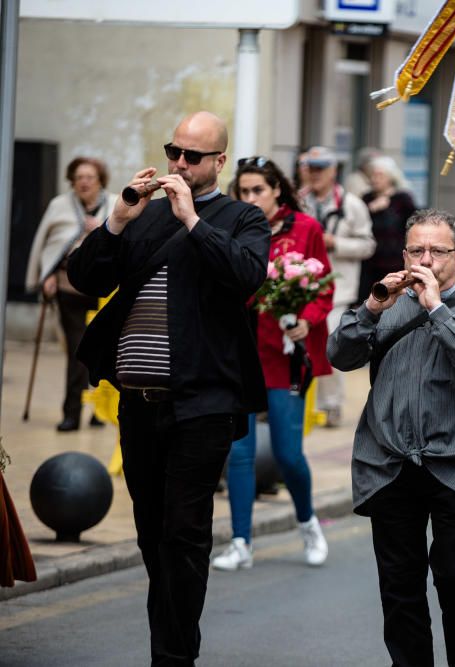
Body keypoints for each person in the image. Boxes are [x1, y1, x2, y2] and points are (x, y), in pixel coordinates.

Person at [67, 111, 269, 664]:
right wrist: (115, 221)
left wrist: (191, 220)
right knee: (152, 534)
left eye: (192, 157)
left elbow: (247, 276)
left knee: (184, 534)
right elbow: (84, 280)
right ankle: (174, 642)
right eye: (174, 151)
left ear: (218, 162)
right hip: (138, 404)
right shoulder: (143, 217)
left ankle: (173, 657)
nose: (179, 164)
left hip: (202, 405)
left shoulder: (242, 218)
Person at [328, 209, 455, 667]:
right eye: (418, 250)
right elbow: (339, 355)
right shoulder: (386, 305)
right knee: (400, 586)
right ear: (404, 255)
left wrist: (436, 308)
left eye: (438, 251)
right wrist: (369, 309)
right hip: (389, 463)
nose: (427, 259)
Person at [211, 157, 333, 572]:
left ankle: (308, 521)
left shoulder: (305, 228)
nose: (249, 198)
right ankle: (241, 541)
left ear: (276, 189)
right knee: (239, 453)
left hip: (286, 356)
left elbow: (323, 288)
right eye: (242, 192)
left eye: (257, 190)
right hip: (242, 353)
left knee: (286, 452)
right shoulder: (232, 229)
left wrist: (306, 320)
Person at [26, 157, 116, 432]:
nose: (85, 182)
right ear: (72, 181)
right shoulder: (60, 206)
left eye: (90, 176)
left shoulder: (115, 204)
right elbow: (48, 245)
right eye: (79, 177)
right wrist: (48, 275)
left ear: (100, 179)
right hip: (68, 286)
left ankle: (100, 411)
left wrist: (100, 230)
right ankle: (72, 413)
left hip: (103, 290)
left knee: (104, 351)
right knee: (78, 351)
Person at [299, 146, 376, 427]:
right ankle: (305, 401)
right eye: (311, 168)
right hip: (304, 287)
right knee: (300, 344)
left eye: (321, 169)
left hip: (338, 289)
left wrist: (336, 244)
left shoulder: (352, 205)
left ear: (333, 171)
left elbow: (368, 245)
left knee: (329, 342)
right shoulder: (298, 200)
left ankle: (331, 405)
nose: (315, 174)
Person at [358, 156, 417, 305]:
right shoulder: (366, 199)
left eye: (380, 175)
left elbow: (413, 224)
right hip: (370, 261)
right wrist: (371, 209)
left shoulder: (402, 199)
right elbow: (357, 221)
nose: (375, 179)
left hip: (395, 259)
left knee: (395, 299)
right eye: (373, 174)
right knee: (370, 299)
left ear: (391, 177)